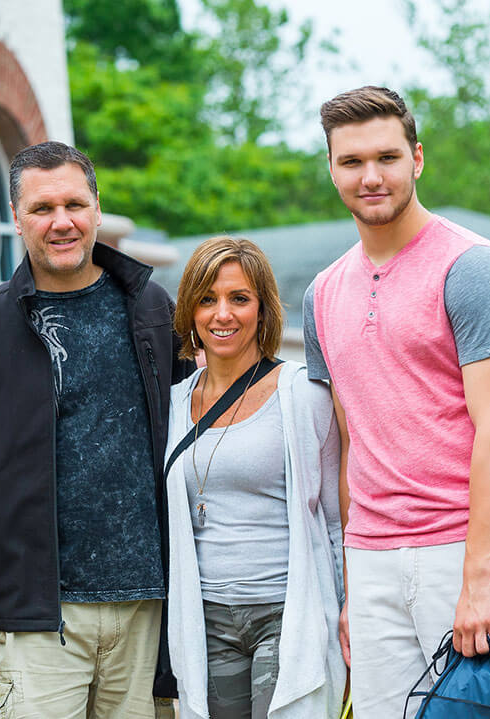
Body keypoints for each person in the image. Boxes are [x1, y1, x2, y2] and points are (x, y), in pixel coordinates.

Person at [303, 86, 490, 717]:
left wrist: (479, 577)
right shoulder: (321, 295)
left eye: (387, 158)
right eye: (351, 162)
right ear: (332, 169)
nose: (371, 177)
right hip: (374, 561)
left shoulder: (471, 267)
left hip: (475, 547)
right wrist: (352, 583)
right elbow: (350, 447)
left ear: (417, 159)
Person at [0, 141, 192, 717]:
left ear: (96, 207)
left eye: (74, 204)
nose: (61, 222)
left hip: (151, 608)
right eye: (42, 208)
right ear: (16, 219)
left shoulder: (151, 309)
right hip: (37, 617)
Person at [165, 236, 346, 719]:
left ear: (262, 311)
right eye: (207, 299)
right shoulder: (173, 404)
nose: (222, 314)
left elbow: (336, 520)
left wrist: (351, 606)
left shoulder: (304, 393)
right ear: (190, 310)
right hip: (207, 618)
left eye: (239, 299)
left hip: (286, 613)